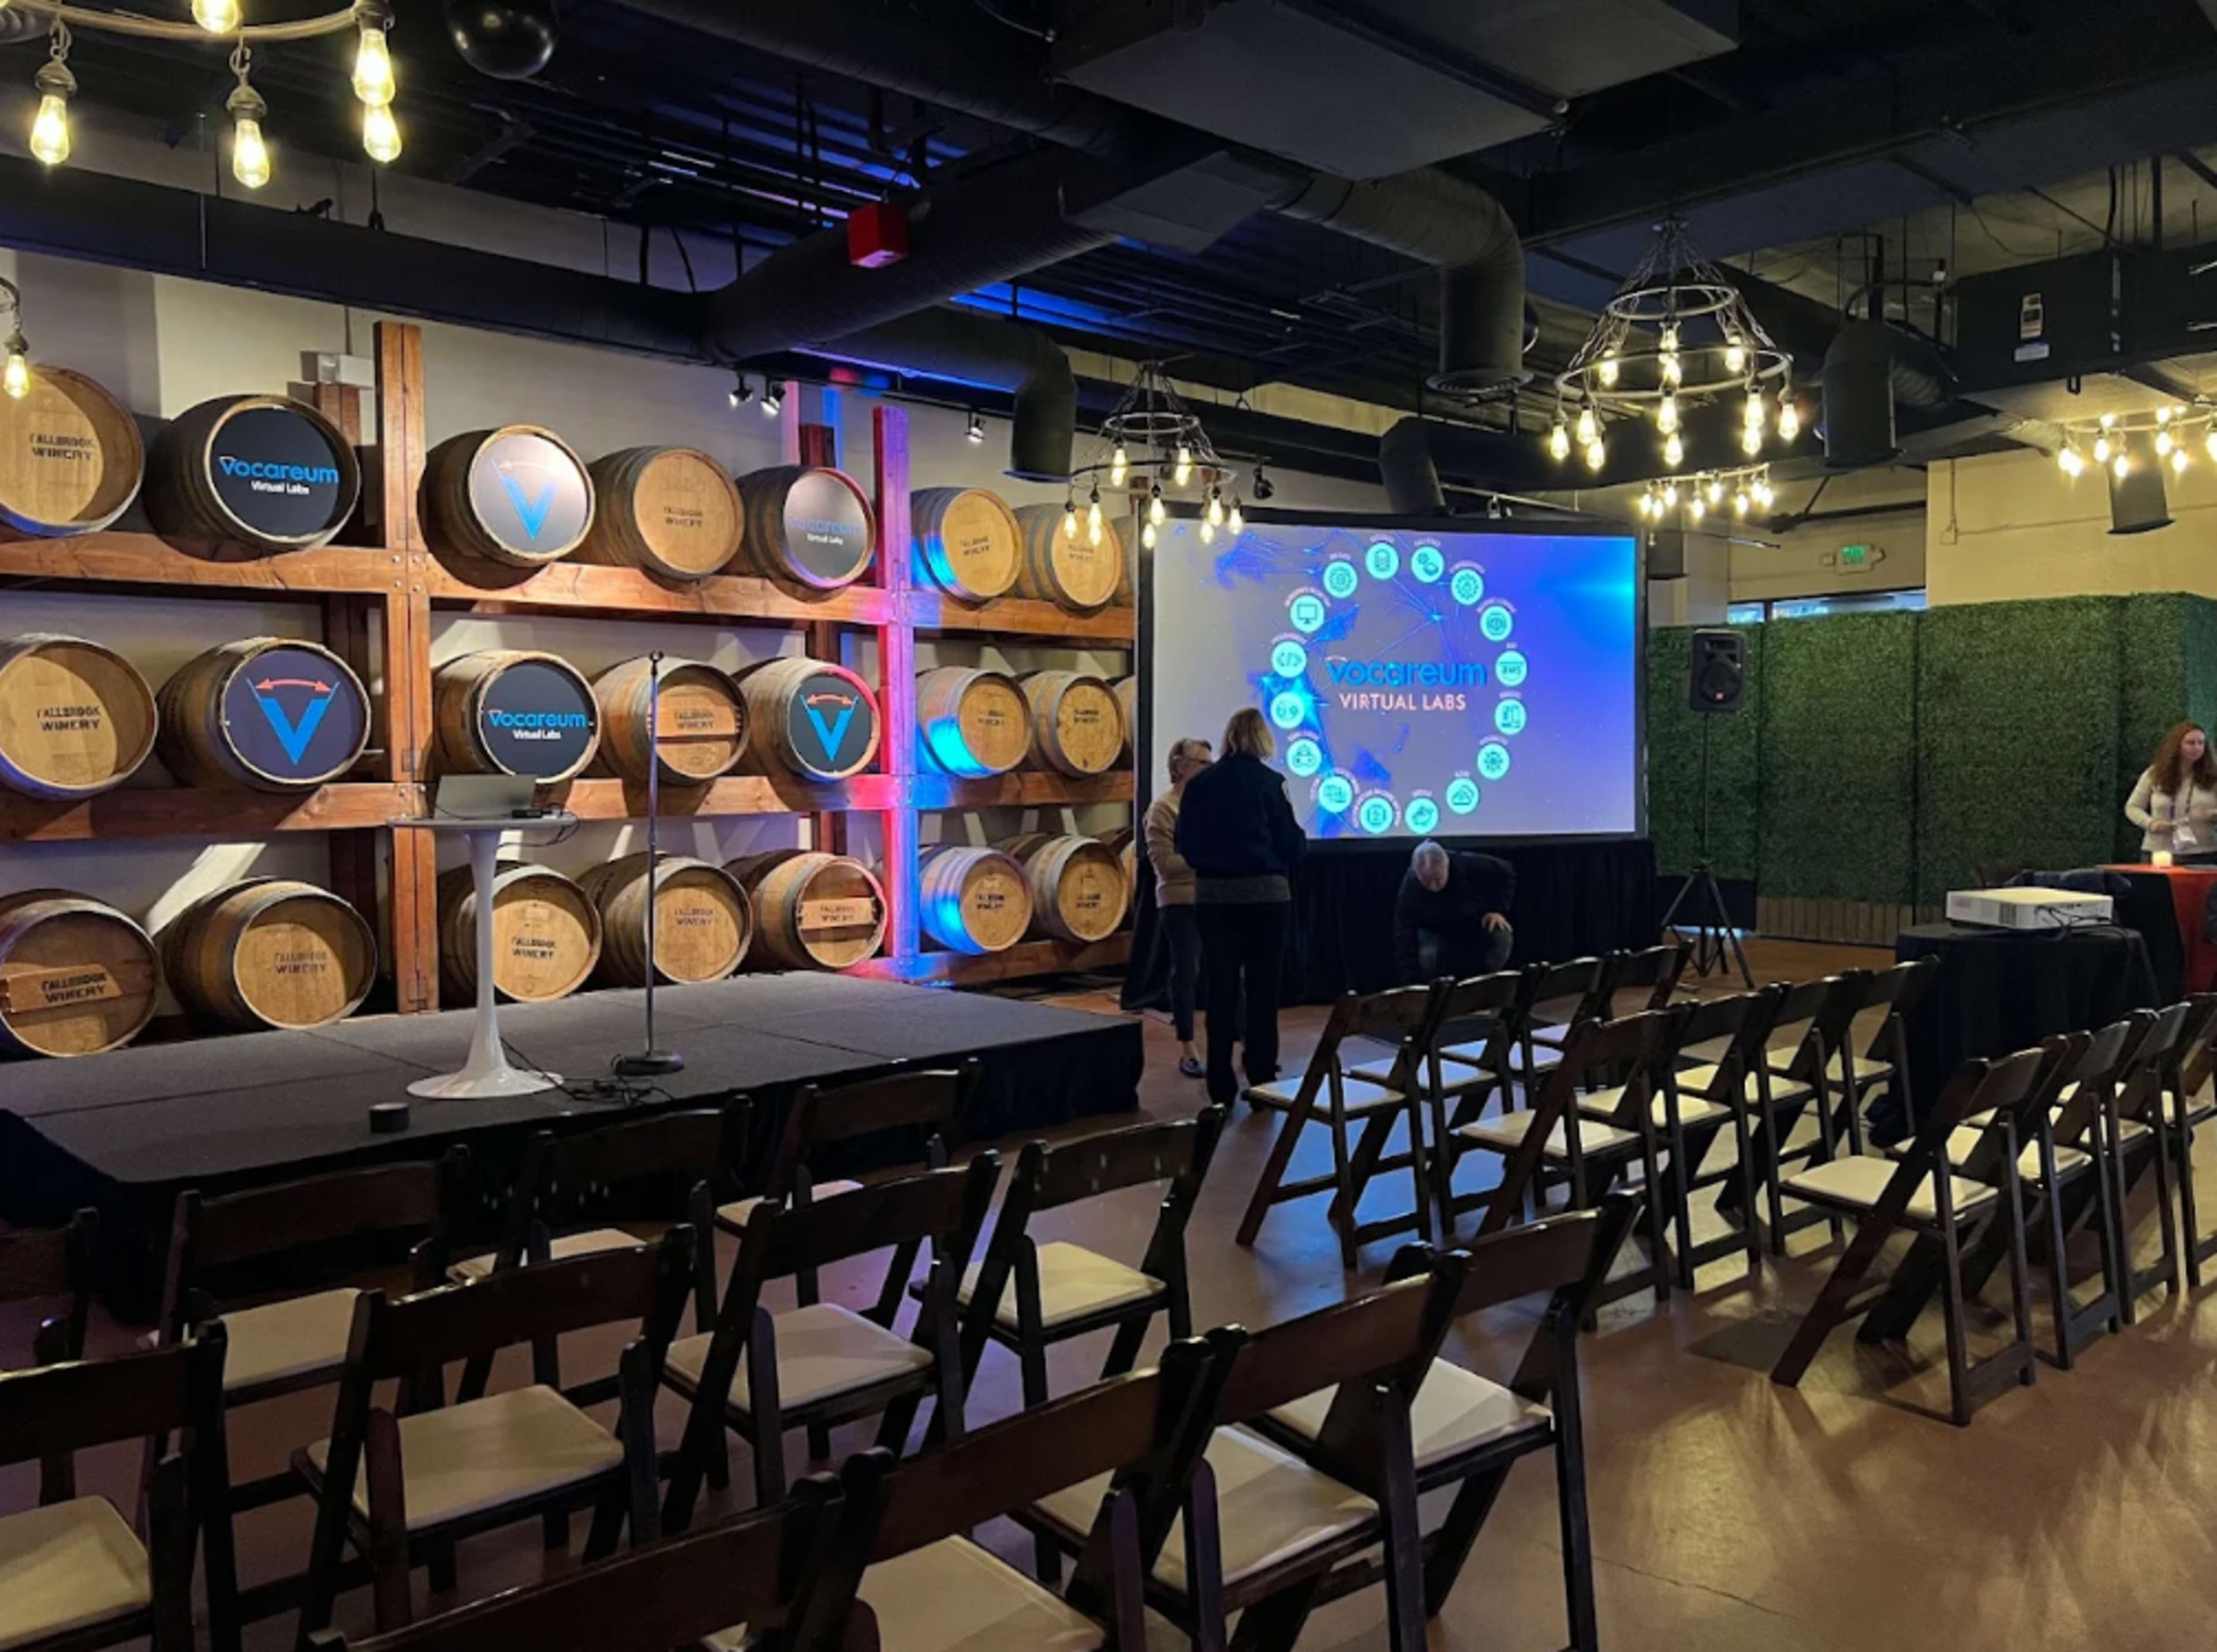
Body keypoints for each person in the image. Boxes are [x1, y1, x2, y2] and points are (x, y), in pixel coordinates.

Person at [1175, 707, 1305, 1108]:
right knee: (1263, 991)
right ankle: (1263, 1077)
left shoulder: (1200, 785)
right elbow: (1292, 845)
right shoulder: (1272, 783)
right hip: (1268, 899)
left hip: (1215, 899)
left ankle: (1220, 1084)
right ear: (1263, 739)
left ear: (1229, 737)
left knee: (1221, 989)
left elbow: (1186, 844)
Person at [1144, 736, 1212, 1078]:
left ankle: (1246, 1043)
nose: (1209, 770)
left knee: (1232, 971)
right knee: (1186, 971)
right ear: (1181, 766)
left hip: (1215, 897)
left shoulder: (1215, 804)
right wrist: (1211, 859)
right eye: (1203, 763)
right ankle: (1188, 1046)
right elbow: (1166, 865)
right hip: (1180, 901)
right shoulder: (1162, 809)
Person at [1392, 840, 1516, 982]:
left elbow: (1507, 871)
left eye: (1437, 879)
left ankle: (1483, 986)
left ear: (1447, 865)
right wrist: (1412, 985)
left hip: (1472, 921)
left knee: (1500, 936)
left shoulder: (1468, 863)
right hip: (1435, 931)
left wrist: (1497, 909)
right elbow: (1404, 937)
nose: (1433, 886)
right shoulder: (1409, 891)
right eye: (1426, 881)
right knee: (1427, 956)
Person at [2126, 720, 2217, 857]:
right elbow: (2133, 807)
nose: (2197, 748)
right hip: (2159, 852)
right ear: (2177, 746)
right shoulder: (2154, 774)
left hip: (2204, 853)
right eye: (2191, 743)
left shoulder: (2213, 776)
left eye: (2201, 743)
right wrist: (2151, 824)